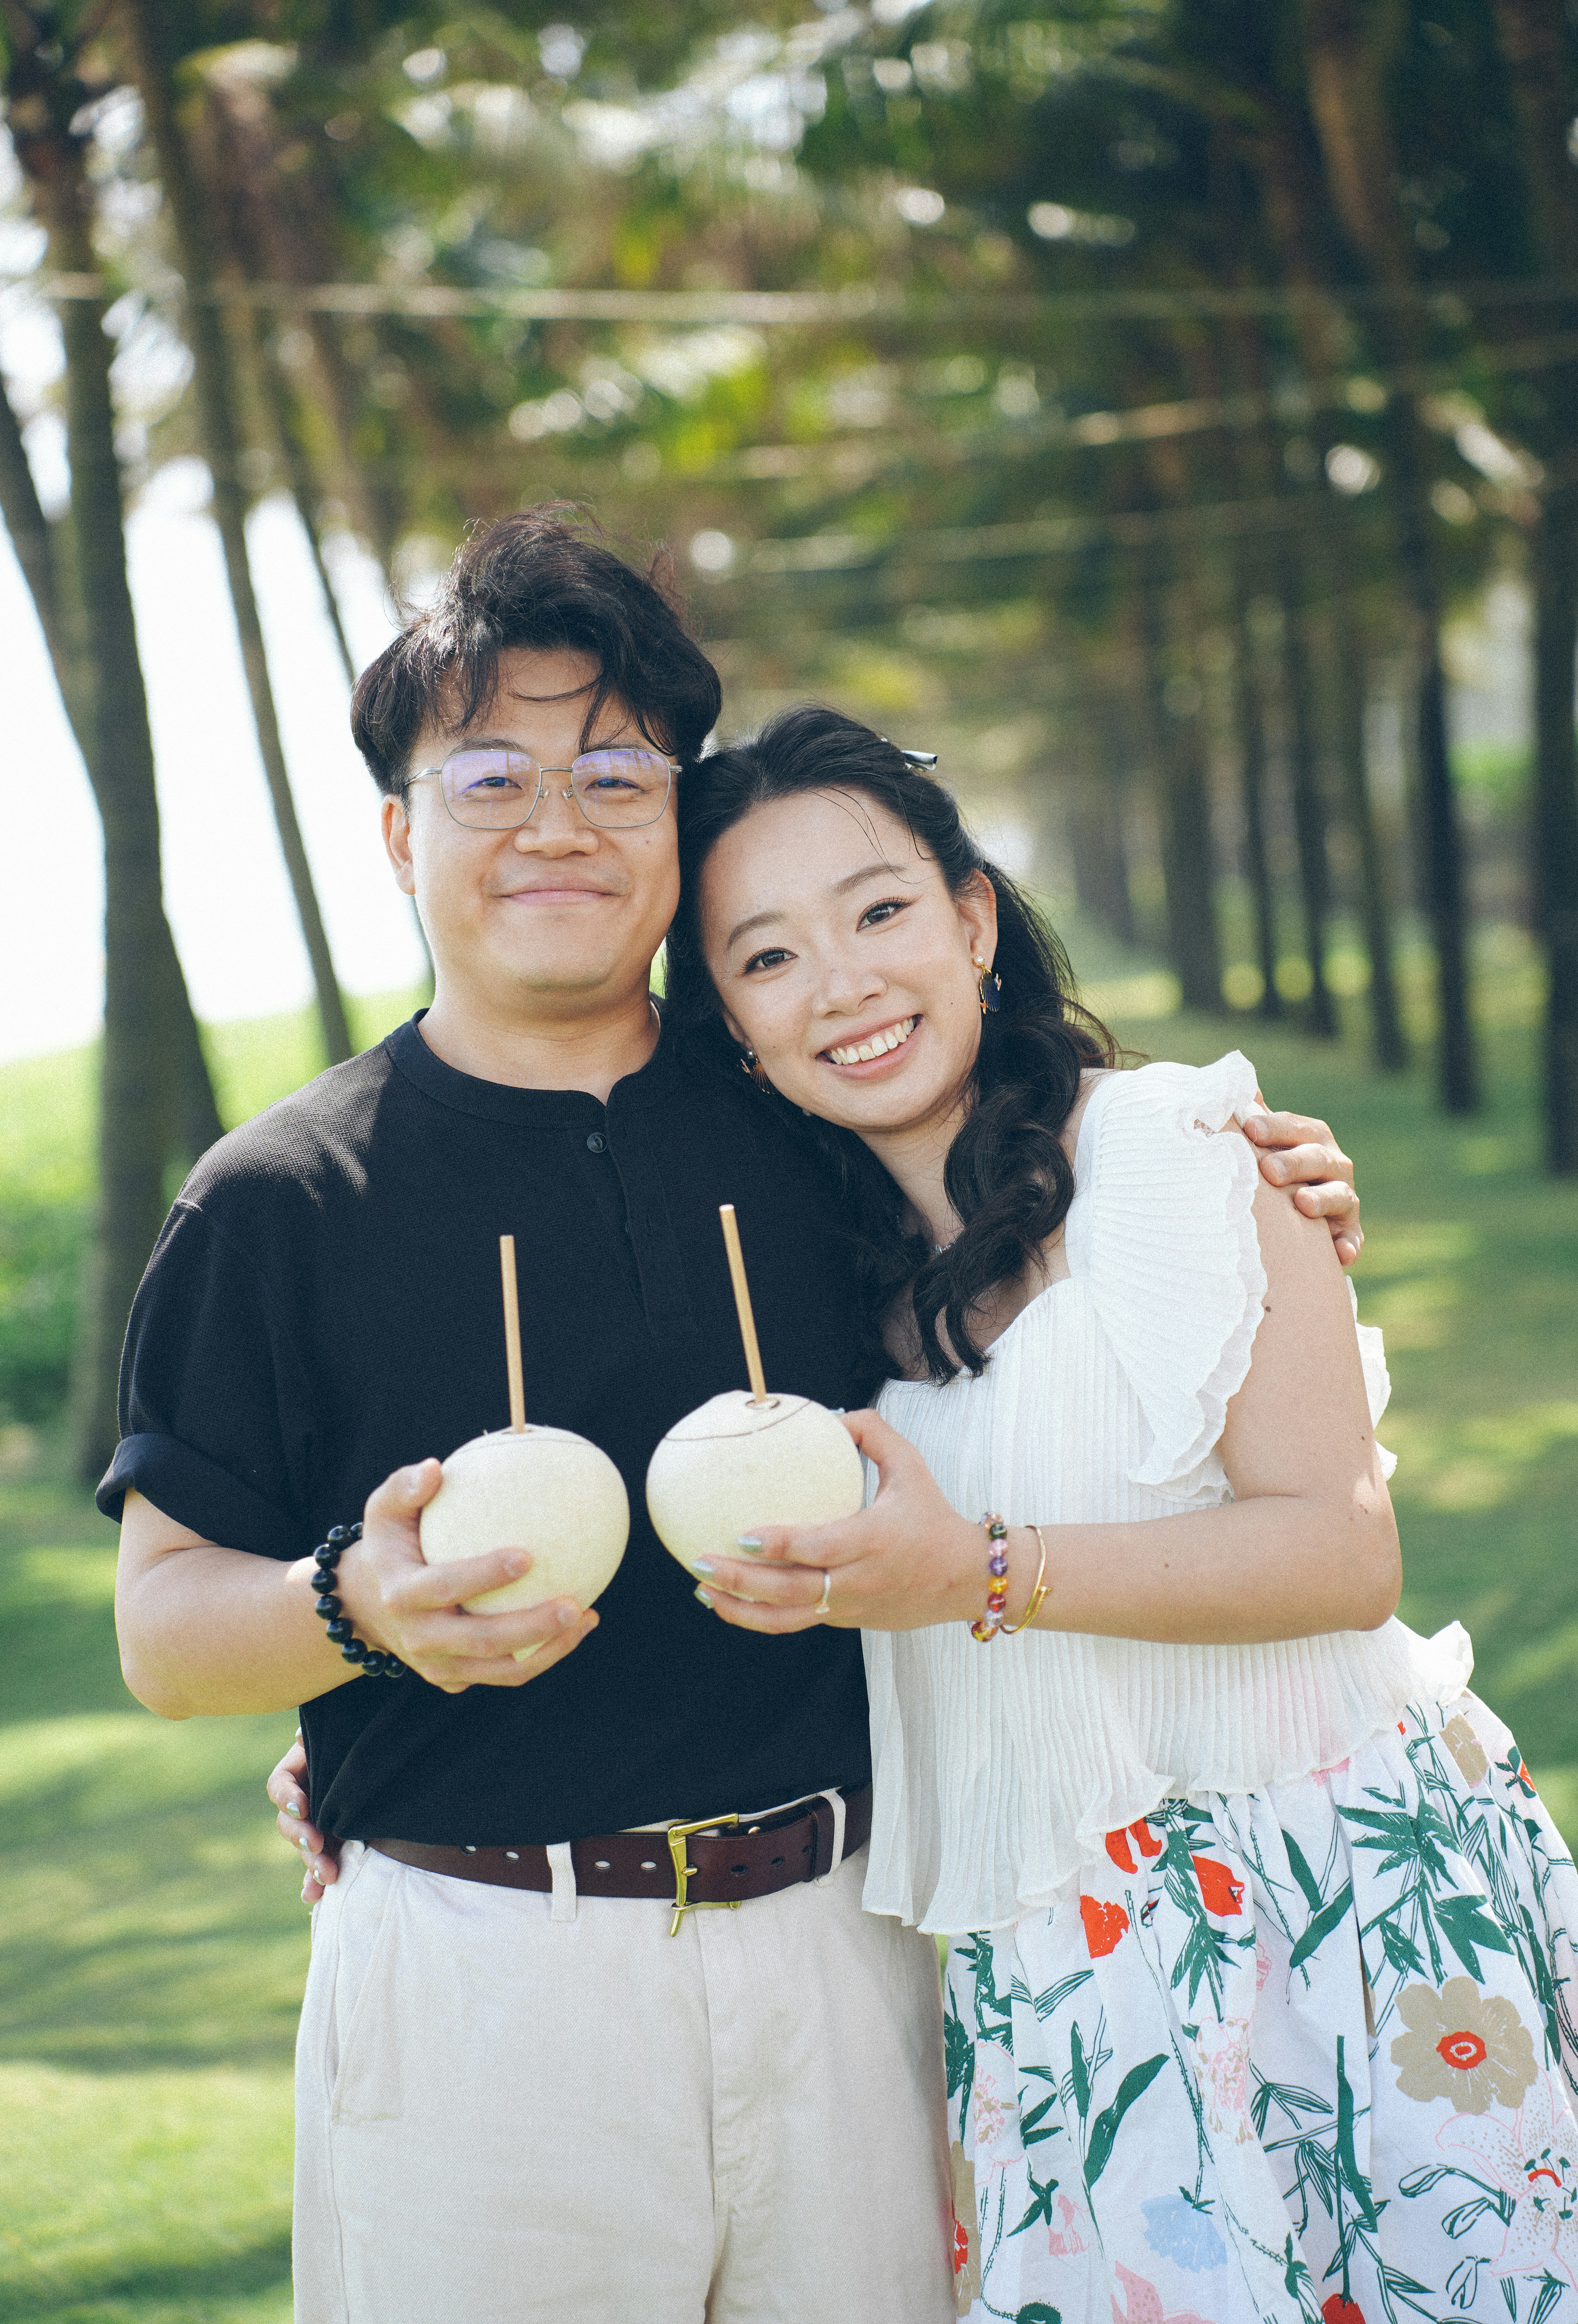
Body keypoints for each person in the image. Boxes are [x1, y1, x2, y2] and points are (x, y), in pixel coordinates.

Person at [104, 507, 1360, 2324]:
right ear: (398, 832)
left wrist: (1256, 1178)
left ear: (676, 824)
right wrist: (354, 1616)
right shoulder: (279, 1201)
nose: (557, 823)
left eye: (617, 772)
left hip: (855, 1943)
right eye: (492, 776)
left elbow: (1057, 1226)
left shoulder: (805, 1114)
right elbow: (161, 1629)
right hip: (477, 1974)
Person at [653, 705, 1578, 2324]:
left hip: (1339, 1921)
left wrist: (978, 1571)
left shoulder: (1164, 1148)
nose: (848, 984)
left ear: (974, 917)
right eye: (769, 957)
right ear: (729, 1024)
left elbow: (1343, 1550)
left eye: (879, 912)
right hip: (1071, 1993)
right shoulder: (804, 1316)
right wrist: (365, 1757)